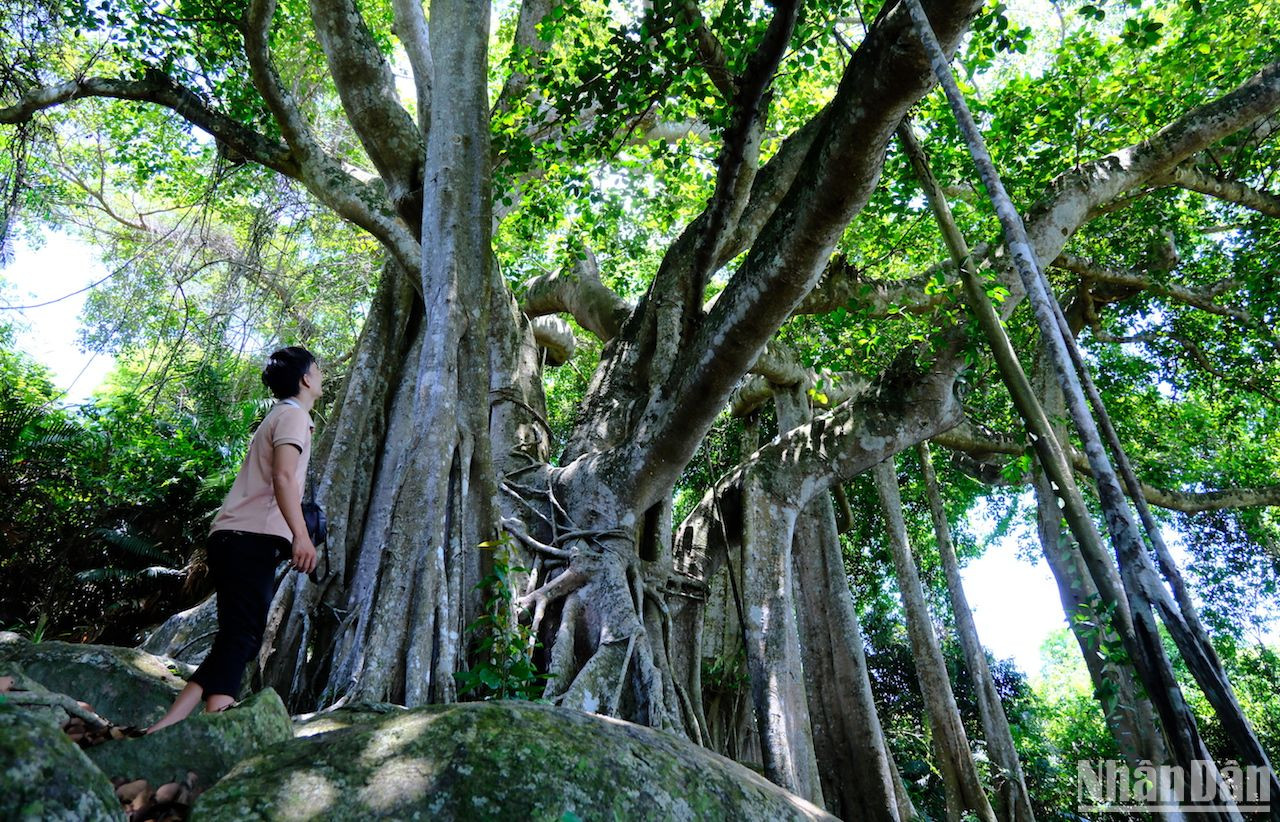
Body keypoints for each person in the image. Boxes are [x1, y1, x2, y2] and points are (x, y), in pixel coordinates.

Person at [147, 346, 322, 733]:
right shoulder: (293, 415)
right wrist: (301, 536)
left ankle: (167, 725)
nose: (321, 375)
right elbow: (282, 477)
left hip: (233, 537)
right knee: (243, 635)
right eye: (317, 369)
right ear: (306, 378)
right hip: (250, 537)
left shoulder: (281, 415)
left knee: (235, 636)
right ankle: (218, 720)